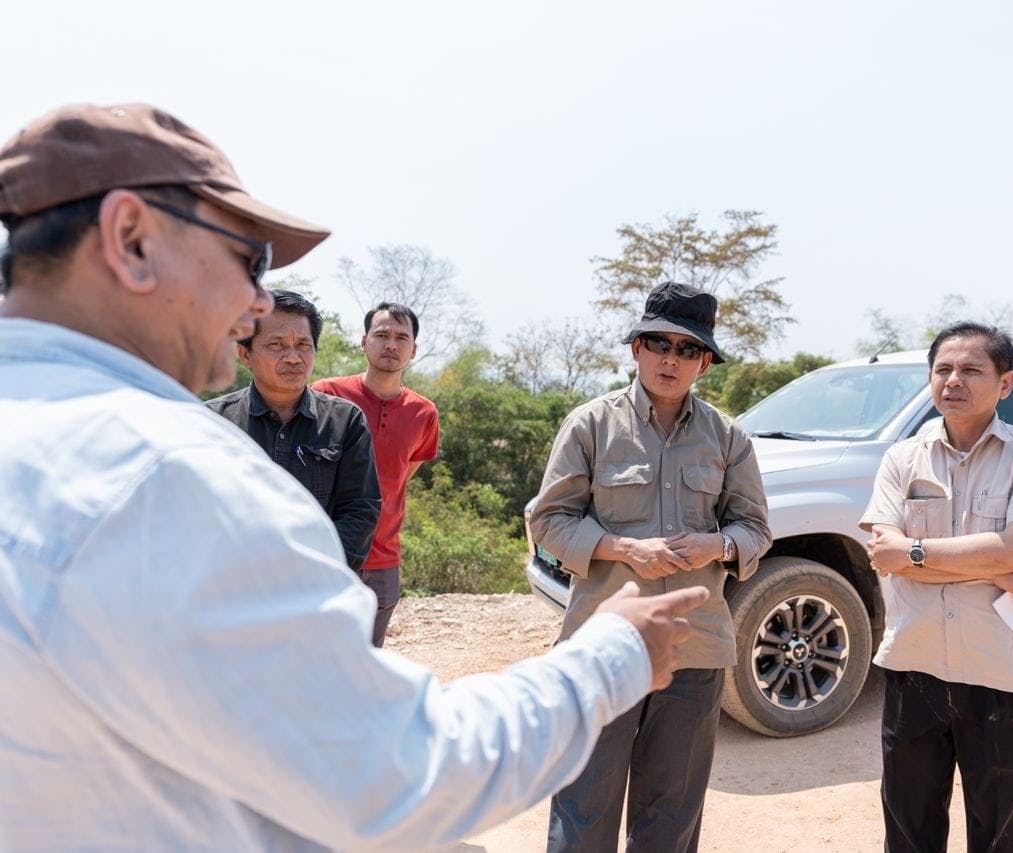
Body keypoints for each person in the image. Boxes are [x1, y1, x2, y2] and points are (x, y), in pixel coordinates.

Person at [0, 102, 709, 850]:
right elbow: (396, 775)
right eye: (249, 259)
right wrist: (612, 655)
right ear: (131, 239)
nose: (259, 302)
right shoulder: (166, 473)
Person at [529, 281, 772, 853]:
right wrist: (623, 548)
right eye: (659, 343)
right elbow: (549, 522)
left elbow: (755, 529)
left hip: (695, 648)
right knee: (583, 810)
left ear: (704, 363)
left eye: (688, 349)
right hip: (603, 644)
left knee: (671, 816)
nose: (671, 358)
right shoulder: (591, 425)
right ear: (636, 348)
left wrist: (718, 545)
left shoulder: (728, 437)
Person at [861, 323, 1013, 852]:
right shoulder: (901, 458)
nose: (953, 380)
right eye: (944, 369)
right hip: (914, 663)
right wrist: (994, 570)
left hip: (1001, 668)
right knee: (908, 832)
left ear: (1005, 383)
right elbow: (883, 553)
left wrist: (918, 555)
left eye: (971, 370)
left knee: (999, 833)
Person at [206, 290, 381, 571]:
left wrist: (311, 573)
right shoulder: (213, 422)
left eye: (303, 345)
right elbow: (198, 511)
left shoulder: (345, 420)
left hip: (318, 582)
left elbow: (359, 510)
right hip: (232, 583)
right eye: (276, 345)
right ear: (245, 354)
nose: (293, 358)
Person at [313, 303, 437, 646]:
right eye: (382, 335)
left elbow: (400, 477)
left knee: (368, 661)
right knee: (313, 656)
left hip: (384, 559)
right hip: (327, 551)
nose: (391, 344)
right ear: (363, 341)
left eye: (401, 338)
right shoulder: (326, 394)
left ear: (414, 349)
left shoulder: (424, 413)